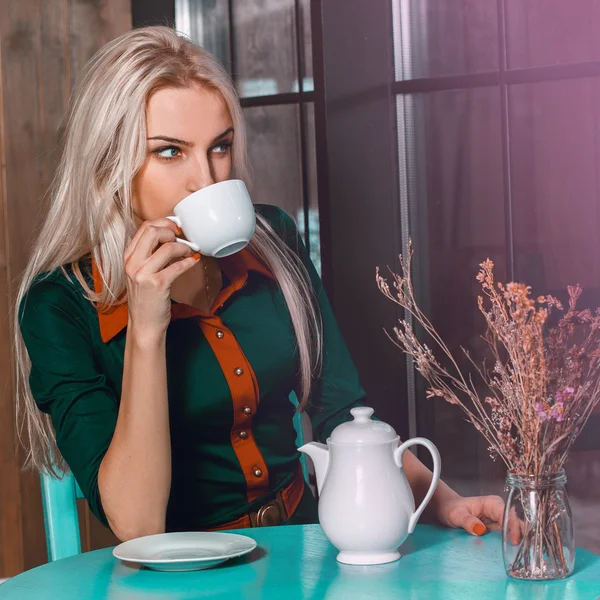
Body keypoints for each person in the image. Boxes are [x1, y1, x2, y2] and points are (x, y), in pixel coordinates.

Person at [15, 26, 504, 542]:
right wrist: (146, 331)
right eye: (169, 152)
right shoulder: (58, 307)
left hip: (306, 544)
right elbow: (137, 525)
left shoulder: (273, 238)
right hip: (180, 572)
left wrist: (441, 502)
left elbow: (344, 419)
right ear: (108, 165)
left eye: (219, 147)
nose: (205, 180)